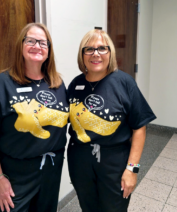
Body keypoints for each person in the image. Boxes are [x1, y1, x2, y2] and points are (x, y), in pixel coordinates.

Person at [0, 23, 69, 212]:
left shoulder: (57, 83)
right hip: (16, 174)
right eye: (31, 40)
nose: (37, 46)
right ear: (21, 45)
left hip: (51, 170)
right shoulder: (2, 83)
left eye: (43, 42)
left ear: (49, 49)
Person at [67, 29, 156, 212]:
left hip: (114, 162)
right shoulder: (76, 84)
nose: (95, 54)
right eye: (89, 49)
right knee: (88, 206)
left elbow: (139, 127)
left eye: (102, 48)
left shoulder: (124, 83)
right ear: (82, 54)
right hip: (80, 160)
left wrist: (132, 169)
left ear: (110, 53)